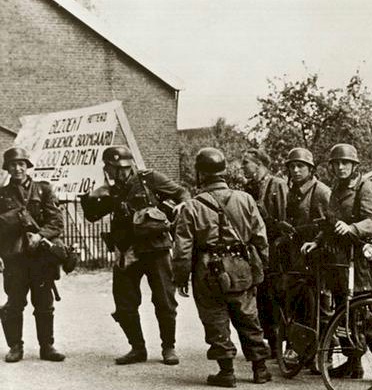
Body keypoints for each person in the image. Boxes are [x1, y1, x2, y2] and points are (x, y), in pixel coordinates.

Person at [80, 145, 189, 366]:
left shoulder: (150, 179)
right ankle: (137, 348)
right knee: (124, 304)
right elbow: (92, 216)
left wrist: (180, 208)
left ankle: (168, 347)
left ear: (124, 167)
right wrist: (92, 196)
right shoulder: (111, 190)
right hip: (127, 252)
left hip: (155, 249)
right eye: (109, 167)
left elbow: (181, 193)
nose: (110, 171)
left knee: (165, 301)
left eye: (112, 167)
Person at [173, 147, 271, 387]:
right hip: (240, 266)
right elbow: (260, 237)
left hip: (207, 271)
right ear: (223, 171)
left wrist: (181, 278)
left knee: (215, 319)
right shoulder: (245, 199)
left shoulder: (191, 207)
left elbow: (183, 250)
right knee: (248, 317)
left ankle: (226, 372)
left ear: (200, 174)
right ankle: (260, 369)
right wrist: (262, 264)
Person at [300, 143, 372, 384]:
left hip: (361, 260)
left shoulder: (366, 188)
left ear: (354, 166)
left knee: (368, 313)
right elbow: (332, 223)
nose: (341, 167)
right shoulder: (336, 189)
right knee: (344, 311)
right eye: (337, 163)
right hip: (339, 260)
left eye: (345, 163)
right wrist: (317, 242)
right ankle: (354, 364)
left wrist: (353, 228)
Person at [0, 147, 65, 363]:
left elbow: (56, 221)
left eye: (21, 164)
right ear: (7, 168)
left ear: (27, 166)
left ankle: (47, 346)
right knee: (14, 304)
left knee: (44, 303)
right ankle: (15, 347)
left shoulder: (43, 190)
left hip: (40, 258)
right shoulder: (2, 194)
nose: (18, 168)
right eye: (13, 164)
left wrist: (40, 235)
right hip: (14, 258)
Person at [279, 148, 331, 371]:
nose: (296, 170)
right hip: (296, 257)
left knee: (321, 306)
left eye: (301, 166)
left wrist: (308, 234)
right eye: (292, 166)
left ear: (311, 169)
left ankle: (325, 354)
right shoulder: (293, 192)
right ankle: (302, 350)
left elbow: (327, 225)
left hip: (317, 256)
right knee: (298, 304)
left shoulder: (321, 192)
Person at [241, 148, 287, 357]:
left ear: (258, 164)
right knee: (261, 299)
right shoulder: (249, 187)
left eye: (246, 163)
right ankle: (269, 343)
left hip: (276, 251)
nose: (243, 168)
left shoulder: (277, 185)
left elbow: (284, 220)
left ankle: (280, 346)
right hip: (257, 251)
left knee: (275, 298)